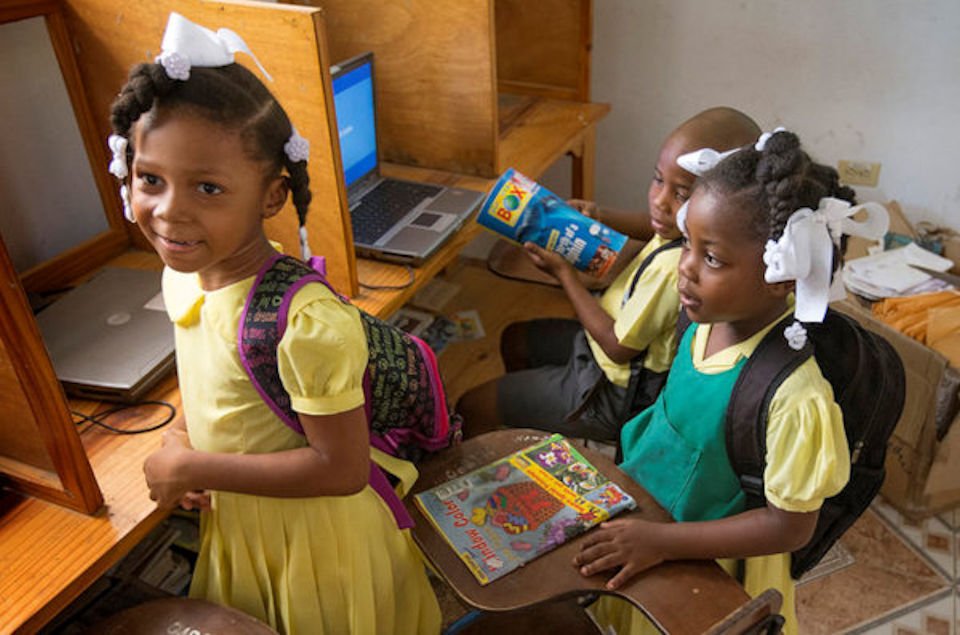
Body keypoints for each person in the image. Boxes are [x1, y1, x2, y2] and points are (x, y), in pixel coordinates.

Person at [107, 13, 440, 635]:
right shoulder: (183, 273)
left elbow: (338, 470)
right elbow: (206, 378)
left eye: (208, 187)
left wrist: (197, 468)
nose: (169, 211)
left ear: (271, 197)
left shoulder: (305, 324)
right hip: (244, 521)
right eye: (150, 179)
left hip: (319, 545)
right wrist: (182, 441)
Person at [575, 130, 854, 635]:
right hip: (651, 521)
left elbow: (789, 525)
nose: (684, 269)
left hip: (710, 572)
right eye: (688, 244)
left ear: (783, 278)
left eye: (712, 259)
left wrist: (662, 543)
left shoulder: (795, 399)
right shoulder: (701, 321)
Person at [457, 107, 761, 443]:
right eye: (659, 179)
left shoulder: (674, 269)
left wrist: (564, 275)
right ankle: (534, 427)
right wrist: (600, 214)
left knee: (472, 405)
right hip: (596, 354)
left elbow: (617, 348)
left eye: (681, 193)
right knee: (514, 338)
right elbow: (653, 228)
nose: (659, 202)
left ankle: (532, 424)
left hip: (611, 390)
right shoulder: (687, 232)